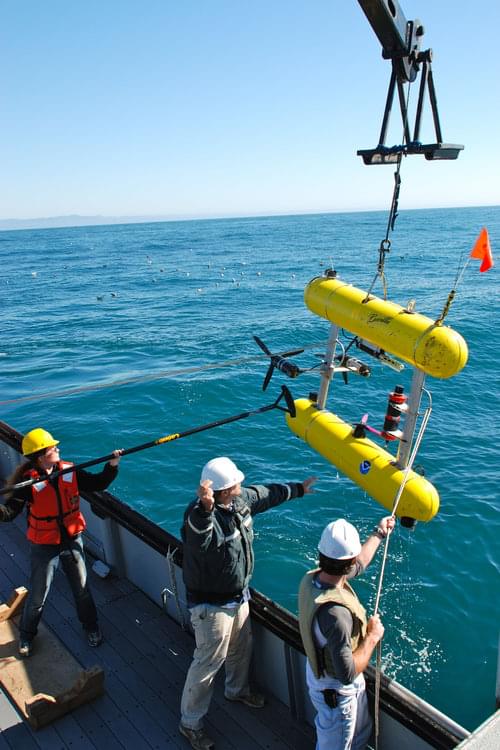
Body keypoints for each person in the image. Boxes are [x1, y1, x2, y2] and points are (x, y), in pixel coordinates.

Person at [179, 455, 317, 750]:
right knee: (207, 664)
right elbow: (198, 541)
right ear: (224, 490)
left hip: (238, 597)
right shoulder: (197, 516)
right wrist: (205, 509)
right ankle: (190, 723)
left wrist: (298, 489)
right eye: (236, 483)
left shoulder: (239, 502)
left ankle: (236, 690)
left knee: (242, 648)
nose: (242, 485)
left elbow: (265, 494)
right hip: (211, 606)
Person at [0, 427, 122, 657]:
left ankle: (91, 627)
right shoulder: (27, 484)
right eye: (52, 447)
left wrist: (112, 465)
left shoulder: (69, 471)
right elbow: (8, 513)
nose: (57, 448)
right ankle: (26, 635)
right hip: (45, 544)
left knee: (82, 589)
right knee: (38, 594)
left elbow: (98, 483)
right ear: (40, 456)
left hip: (72, 538)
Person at [298, 515, 396, 750]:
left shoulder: (314, 579)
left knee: (359, 736)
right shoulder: (336, 615)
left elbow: (359, 562)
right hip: (336, 694)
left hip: (322, 678)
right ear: (347, 563)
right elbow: (347, 673)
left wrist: (379, 533)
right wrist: (372, 637)